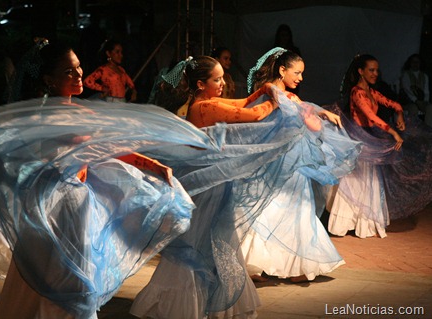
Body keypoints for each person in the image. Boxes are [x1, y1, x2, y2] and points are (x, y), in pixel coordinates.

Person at [0, 42, 224, 319]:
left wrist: (152, 164)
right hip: (55, 204)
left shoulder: (82, 110)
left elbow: (110, 145)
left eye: (78, 67)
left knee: (71, 272)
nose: (79, 74)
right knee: (56, 273)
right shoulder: (45, 115)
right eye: (69, 71)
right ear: (49, 80)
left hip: (76, 201)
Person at [130, 54, 358, 318]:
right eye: (216, 79)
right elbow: (252, 113)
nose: (222, 83)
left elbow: (244, 101)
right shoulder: (203, 108)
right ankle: (185, 304)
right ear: (201, 84)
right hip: (209, 185)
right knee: (203, 240)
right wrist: (275, 100)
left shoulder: (208, 102)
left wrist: (265, 90)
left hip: (215, 182)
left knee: (217, 239)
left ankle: (216, 303)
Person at [240, 47, 361, 283]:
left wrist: (320, 114)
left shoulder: (275, 94)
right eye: (297, 72)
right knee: (286, 210)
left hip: (281, 163)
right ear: (282, 70)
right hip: (281, 164)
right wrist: (319, 115)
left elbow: (306, 120)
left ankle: (259, 265)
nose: (301, 78)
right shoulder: (276, 95)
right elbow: (306, 123)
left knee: (278, 210)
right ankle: (284, 266)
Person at [327, 53, 432, 238]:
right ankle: (345, 223)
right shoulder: (356, 92)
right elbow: (370, 116)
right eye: (371, 70)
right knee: (355, 180)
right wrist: (392, 131)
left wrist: (399, 113)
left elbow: (394, 103)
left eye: (377, 70)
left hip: (370, 138)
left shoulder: (371, 91)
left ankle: (365, 223)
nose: (375, 73)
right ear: (361, 71)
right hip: (358, 140)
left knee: (371, 180)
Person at [83, 38, 137, 103]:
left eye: (121, 52)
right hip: (110, 102)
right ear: (108, 53)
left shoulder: (121, 70)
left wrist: (134, 91)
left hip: (122, 101)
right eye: (117, 52)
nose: (121, 55)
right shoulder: (103, 69)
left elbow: (130, 83)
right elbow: (87, 81)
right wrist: (102, 88)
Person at [399, 53, 432, 126]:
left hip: (421, 100)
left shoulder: (424, 76)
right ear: (410, 63)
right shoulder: (406, 75)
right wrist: (416, 101)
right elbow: (407, 90)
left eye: (417, 62)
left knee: (430, 107)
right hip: (408, 101)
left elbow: (426, 91)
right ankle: (412, 131)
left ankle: (427, 130)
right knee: (413, 108)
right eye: (413, 62)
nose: (415, 64)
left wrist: (425, 101)